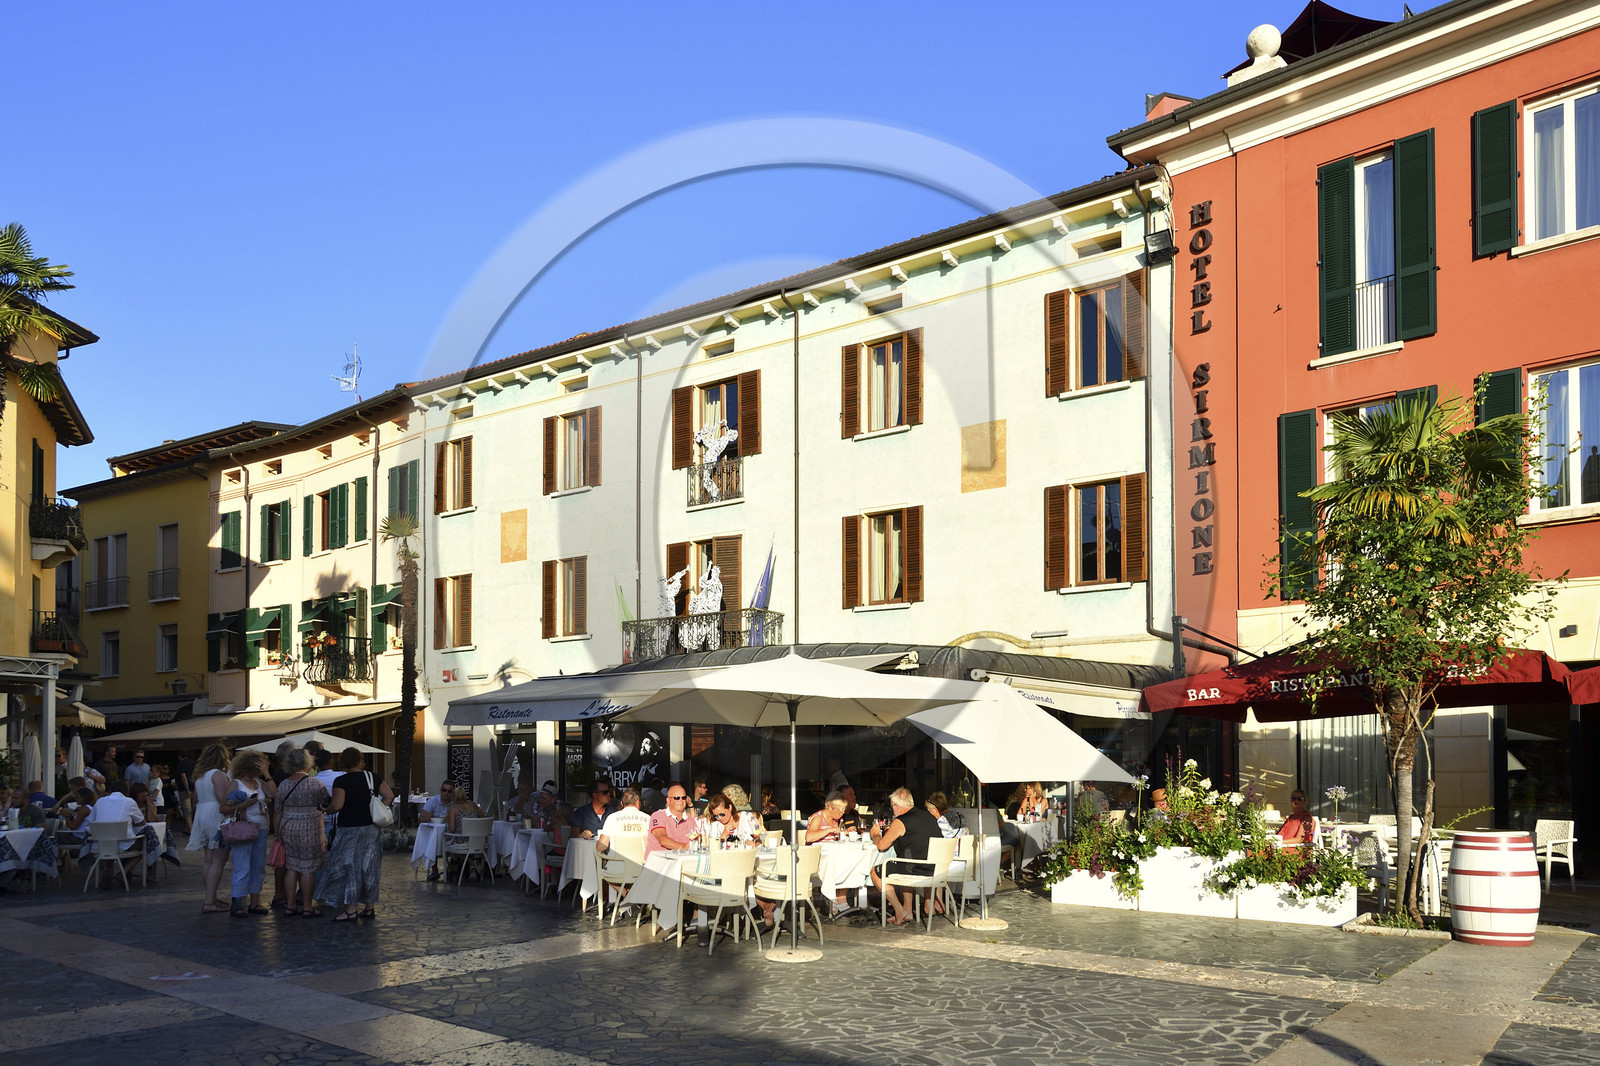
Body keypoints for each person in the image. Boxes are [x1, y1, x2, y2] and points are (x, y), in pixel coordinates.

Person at [320, 747, 395, 921]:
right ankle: (369, 907)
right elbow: (389, 795)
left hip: (350, 829)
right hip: (371, 828)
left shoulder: (342, 780)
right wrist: (375, 809)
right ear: (360, 760)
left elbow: (337, 805)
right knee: (370, 866)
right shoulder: (372, 777)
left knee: (350, 867)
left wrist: (327, 809)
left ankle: (351, 909)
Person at [870, 787, 943, 926]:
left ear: (896, 806)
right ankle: (908, 911)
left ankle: (899, 910)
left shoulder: (900, 821)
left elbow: (882, 845)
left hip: (916, 869)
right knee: (903, 864)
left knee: (876, 872)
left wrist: (875, 834)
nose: (893, 810)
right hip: (934, 869)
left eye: (892, 807)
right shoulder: (930, 817)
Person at [273, 747, 328, 916]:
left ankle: (290, 905)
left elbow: (277, 811)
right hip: (310, 829)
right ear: (308, 763)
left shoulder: (283, 784)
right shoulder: (315, 783)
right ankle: (307, 907)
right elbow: (325, 803)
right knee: (307, 868)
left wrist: (277, 834)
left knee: (291, 867)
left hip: (287, 828)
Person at [223, 749, 275, 917]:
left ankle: (255, 902)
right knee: (242, 865)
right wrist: (243, 805)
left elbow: (273, 794)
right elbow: (223, 808)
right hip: (243, 828)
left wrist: (267, 774)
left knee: (258, 866)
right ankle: (237, 901)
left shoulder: (259, 783)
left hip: (260, 828)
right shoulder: (235, 783)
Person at [185, 742, 233, 914]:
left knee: (209, 860)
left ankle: (210, 897)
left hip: (202, 813)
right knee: (218, 861)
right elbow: (222, 798)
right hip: (215, 814)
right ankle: (209, 902)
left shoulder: (201, 775)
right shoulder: (218, 774)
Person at [644, 783, 697, 858]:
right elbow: (662, 839)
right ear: (668, 800)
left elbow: (695, 840)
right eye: (677, 798)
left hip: (681, 861)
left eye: (683, 798)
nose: (681, 800)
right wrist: (683, 848)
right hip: (658, 862)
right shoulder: (658, 816)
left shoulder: (689, 819)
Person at [597, 788, 651, 853]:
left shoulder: (612, 818)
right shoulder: (648, 819)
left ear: (622, 803)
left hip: (617, 862)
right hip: (642, 862)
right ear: (637, 802)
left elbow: (600, 847)